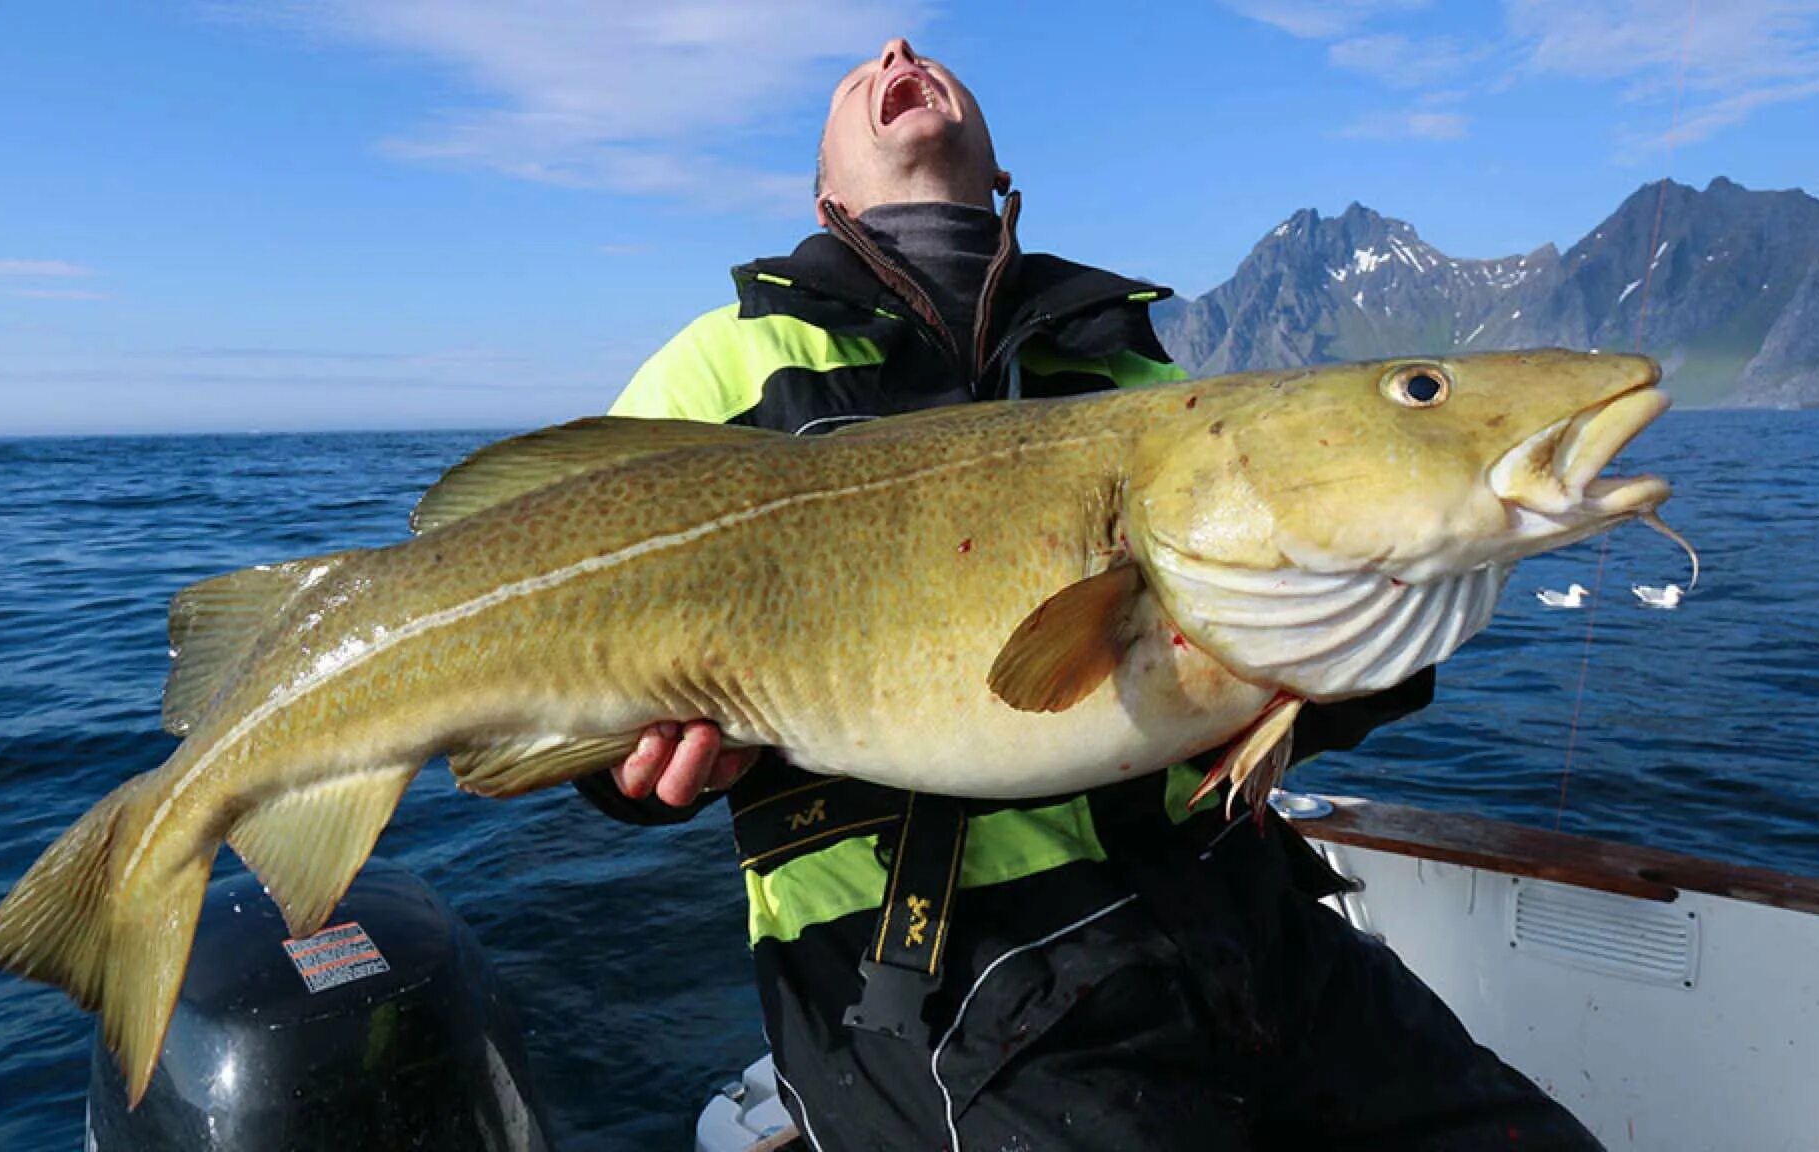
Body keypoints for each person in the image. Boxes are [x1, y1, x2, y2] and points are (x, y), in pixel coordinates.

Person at [579, 38, 1605, 1152]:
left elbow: (1271, 675)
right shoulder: (715, 370)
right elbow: (573, 661)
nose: (896, 49)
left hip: (1235, 919)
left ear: (1000, 167)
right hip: (931, 979)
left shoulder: (1141, 378)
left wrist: (1394, 594)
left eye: (929, 53)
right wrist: (631, 769)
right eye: (849, 78)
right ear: (823, 191)